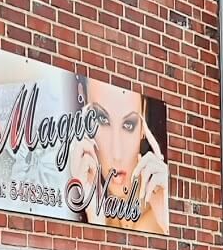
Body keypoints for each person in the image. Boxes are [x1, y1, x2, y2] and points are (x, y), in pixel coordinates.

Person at [66, 78, 169, 235]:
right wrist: (95, 216)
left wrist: (166, 219)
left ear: (143, 125)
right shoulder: (85, 208)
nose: (117, 154)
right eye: (102, 119)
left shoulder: (161, 212)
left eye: (129, 125)